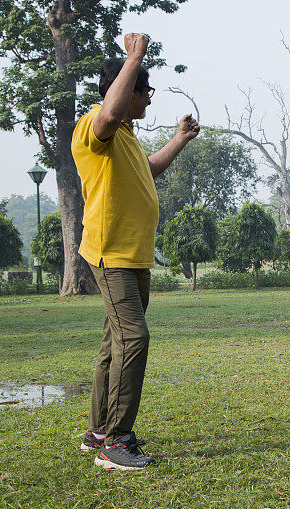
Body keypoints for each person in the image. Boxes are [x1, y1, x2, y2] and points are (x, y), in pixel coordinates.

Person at [71, 33, 200, 470]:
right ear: (126, 91)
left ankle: (98, 430)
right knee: (134, 337)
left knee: (115, 341)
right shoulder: (96, 127)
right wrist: (135, 56)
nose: (148, 99)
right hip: (111, 254)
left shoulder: (124, 136)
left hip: (133, 254)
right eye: (145, 91)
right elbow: (109, 111)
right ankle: (115, 441)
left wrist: (179, 140)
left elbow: (150, 169)